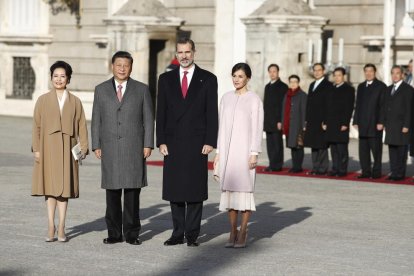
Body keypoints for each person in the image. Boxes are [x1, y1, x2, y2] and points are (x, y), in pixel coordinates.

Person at [156, 38, 218, 247]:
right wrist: (161, 140)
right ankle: (177, 233)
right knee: (175, 190)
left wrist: (210, 140)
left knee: (194, 190)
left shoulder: (208, 79)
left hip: (197, 142)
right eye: (180, 52)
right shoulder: (165, 79)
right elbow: (161, 113)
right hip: (173, 142)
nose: (184, 56)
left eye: (187, 52)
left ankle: (192, 234)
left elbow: (212, 112)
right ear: (176, 54)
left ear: (194, 52)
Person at [91, 51, 154, 245]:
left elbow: (148, 119)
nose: (122, 68)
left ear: (131, 67)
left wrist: (148, 144)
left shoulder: (141, 89)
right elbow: (96, 120)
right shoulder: (101, 89)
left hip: (134, 147)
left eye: (126, 65)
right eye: (119, 65)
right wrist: (96, 144)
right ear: (112, 66)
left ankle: (132, 234)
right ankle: (114, 233)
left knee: (132, 194)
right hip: (109, 147)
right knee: (112, 193)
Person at [32, 60, 88, 242]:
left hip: (68, 149)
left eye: (62, 76)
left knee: (64, 189)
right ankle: (50, 225)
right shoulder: (42, 100)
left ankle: (62, 226)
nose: (58, 79)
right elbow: (36, 127)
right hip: (47, 147)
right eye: (55, 76)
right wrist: (37, 150)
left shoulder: (76, 102)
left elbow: (82, 127)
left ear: (68, 78)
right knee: (50, 189)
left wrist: (84, 148)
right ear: (51, 78)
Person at [214, 62, 263, 248]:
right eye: (234, 76)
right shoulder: (225, 98)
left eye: (240, 76)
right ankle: (232, 230)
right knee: (230, 193)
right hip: (227, 152)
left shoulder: (254, 99)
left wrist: (254, 152)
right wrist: (218, 152)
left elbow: (258, 128)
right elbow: (221, 127)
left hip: (244, 152)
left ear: (248, 78)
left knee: (244, 193)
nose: (236, 79)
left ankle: (243, 231)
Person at [352, 64, 386, 179]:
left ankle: (376, 173)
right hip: (362, 123)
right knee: (363, 150)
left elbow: (383, 106)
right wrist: (355, 120)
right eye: (366, 71)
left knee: (376, 150)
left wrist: (381, 122)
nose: (368, 73)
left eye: (371, 71)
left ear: (375, 72)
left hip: (375, 124)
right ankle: (366, 172)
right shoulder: (361, 86)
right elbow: (358, 105)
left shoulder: (381, 86)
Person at [382, 65, 414, 181]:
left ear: (402, 75)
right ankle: (394, 172)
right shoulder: (388, 89)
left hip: (402, 126)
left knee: (401, 151)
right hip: (390, 125)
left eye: (397, 73)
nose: (395, 75)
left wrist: (406, 125)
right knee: (392, 150)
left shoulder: (408, 89)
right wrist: (384, 122)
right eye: (393, 73)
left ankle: (400, 174)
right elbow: (385, 107)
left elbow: (409, 109)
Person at [323, 67, 355, 177]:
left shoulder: (349, 89)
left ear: (343, 76)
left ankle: (342, 170)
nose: (337, 78)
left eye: (339, 75)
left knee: (341, 148)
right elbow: (327, 107)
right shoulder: (331, 89)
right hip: (331, 123)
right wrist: (325, 122)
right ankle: (335, 168)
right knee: (333, 148)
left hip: (341, 123)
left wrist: (345, 123)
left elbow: (349, 108)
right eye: (335, 75)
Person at [303, 63, 333, 175]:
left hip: (321, 120)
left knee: (322, 145)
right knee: (313, 145)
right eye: (315, 70)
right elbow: (309, 104)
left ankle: (323, 168)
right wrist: (306, 120)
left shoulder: (328, 85)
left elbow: (329, 105)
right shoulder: (312, 85)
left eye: (319, 70)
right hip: (311, 120)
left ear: (323, 71)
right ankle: (315, 167)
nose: (316, 72)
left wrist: (326, 121)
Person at [262, 64, 288, 172]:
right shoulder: (267, 86)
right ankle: (271, 163)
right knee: (270, 144)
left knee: (277, 143)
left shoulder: (283, 86)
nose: (272, 73)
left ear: (278, 72)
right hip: (268, 120)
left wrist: (280, 120)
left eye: (274, 71)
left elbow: (283, 105)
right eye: (270, 71)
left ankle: (277, 165)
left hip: (277, 121)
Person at [281, 75, 307, 173]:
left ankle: (298, 167)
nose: (293, 83)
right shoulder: (287, 95)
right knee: (292, 146)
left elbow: (304, 111)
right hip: (289, 126)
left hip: (298, 125)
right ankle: (294, 166)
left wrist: (304, 125)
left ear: (298, 82)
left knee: (299, 146)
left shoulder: (302, 95)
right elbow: (283, 110)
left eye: (295, 81)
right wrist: (283, 123)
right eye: (291, 81)